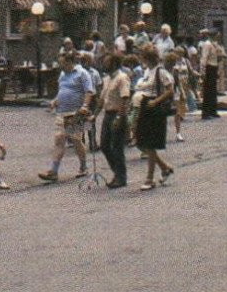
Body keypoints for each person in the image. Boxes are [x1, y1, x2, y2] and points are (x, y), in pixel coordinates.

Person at [39, 53, 93, 184]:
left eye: (62, 63)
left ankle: (83, 166)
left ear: (70, 62)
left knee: (76, 140)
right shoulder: (62, 75)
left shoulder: (82, 73)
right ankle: (53, 171)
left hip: (75, 112)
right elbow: (61, 91)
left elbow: (89, 91)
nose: (60, 65)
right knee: (59, 141)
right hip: (61, 112)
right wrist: (54, 101)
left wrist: (85, 106)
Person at [133, 45, 177, 189]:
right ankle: (164, 167)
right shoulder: (147, 71)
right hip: (145, 106)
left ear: (148, 58)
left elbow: (170, 90)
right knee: (142, 142)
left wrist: (155, 101)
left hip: (155, 108)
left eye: (143, 57)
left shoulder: (160, 71)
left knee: (150, 144)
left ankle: (149, 179)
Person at [96, 52, 134, 188]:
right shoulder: (106, 79)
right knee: (105, 145)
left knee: (117, 147)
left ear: (113, 63)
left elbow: (125, 98)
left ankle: (121, 177)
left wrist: (120, 116)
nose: (104, 64)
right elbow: (102, 99)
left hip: (118, 114)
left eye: (106, 62)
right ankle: (116, 172)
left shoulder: (122, 78)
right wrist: (94, 115)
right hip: (107, 114)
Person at [197, 30, 225, 119]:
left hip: (214, 67)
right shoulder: (207, 44)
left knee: (213, 91)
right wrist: (203, 72)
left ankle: (213, 110)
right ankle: (205, 112)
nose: (218, 37)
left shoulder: (215, 44)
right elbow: (204, 58)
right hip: (209, 67)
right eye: (217, 35)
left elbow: (220, 55)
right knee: (207, 91)